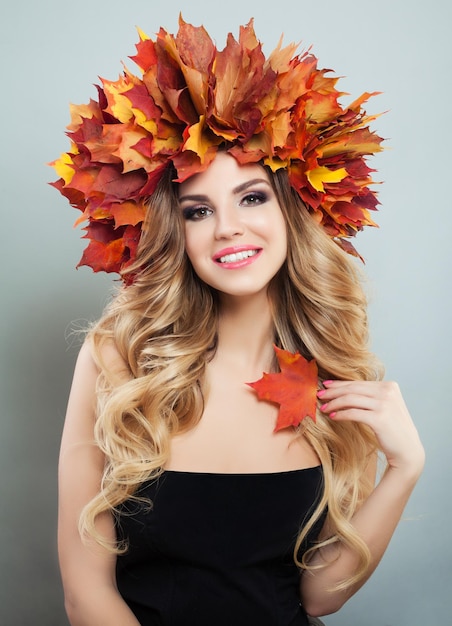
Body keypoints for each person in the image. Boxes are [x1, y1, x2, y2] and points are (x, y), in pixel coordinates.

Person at [52, 18, 425, 626]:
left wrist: (404, 467)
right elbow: (85, 595)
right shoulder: (117, 356)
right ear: (177, 233)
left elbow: (318, 597)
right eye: (199, 211)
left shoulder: (327, 373)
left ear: (295, 210)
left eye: (252, 197)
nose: (228, 227)